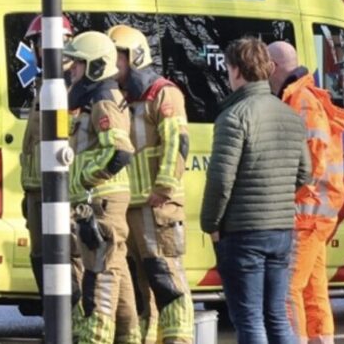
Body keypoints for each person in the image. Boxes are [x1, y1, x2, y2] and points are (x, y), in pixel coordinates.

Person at [200, 37, 311, 344]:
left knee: (249, 320)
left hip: (242, 232)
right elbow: (305, 172)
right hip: (281, 230)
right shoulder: (289, 114)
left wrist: (210, 224)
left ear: (236, 71)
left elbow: (221, 181)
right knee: (276, 316)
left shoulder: (233, 117)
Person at [109, 24, 194, 344]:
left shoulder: (162, 93)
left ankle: (179, 339)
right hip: (129, 204)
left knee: (166, 277)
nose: (111, 63)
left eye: (116, 56)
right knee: (137, 282)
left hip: (157, 205)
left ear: (134, 56)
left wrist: (165, 188)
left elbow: (177, 143)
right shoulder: (119, 98)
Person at [268, 41, 344, 344]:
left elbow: (312, 162)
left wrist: (287, 196)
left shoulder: (300, 100)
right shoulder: (302, 96)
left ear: (272, 66)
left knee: (287, 288)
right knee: (313, 290)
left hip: (307, 212)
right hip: (317, 211)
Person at [64, 31, 139, 344]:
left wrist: (84, 180)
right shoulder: (99, 99)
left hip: (101, 202)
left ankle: (96, 337)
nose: (73, 71)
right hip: (103, 200)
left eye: (79, 65)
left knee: (100, 273)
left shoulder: (103, 101)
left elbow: (119, 151)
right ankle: (127, 336)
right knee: (114, 268)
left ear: (95, 66)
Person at [18, 14, 85, 322]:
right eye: (37, 44)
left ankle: (73, 324)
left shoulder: (74, 87)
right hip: (36, 191)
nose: (39, 50)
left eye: (43, 43)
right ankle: (55, 320)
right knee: (41, 259)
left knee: (67, 258)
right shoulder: (45, 84)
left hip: (60, 193)